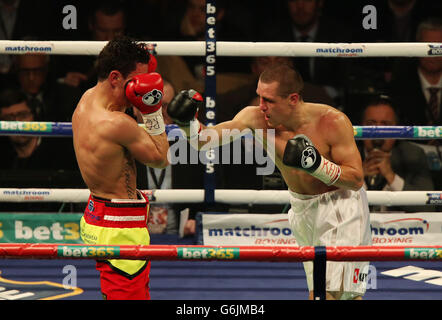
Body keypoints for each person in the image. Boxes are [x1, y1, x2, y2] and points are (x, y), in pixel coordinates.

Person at [168, 62, 371, 300]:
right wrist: (187, 123)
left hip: (340, 207)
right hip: (302, 207)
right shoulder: (255, 118)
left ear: (293, 99)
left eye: (269, 100)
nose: (261, 106)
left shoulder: (331, 121)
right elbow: (204, 141)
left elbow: (356, 179)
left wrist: (316, 165)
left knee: (328, 294)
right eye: (259, 96)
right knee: (342, 295)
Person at [71, 36, 169, 300]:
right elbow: (160, 159)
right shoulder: (116, 124)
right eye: (134, 82)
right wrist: (151, 110)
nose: (137, 88)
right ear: (115, 77)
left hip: (96, 216)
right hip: (120, 229)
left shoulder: (86, 100)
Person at [359, 95, 435, 212]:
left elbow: (428, 207)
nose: (378, 132)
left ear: (397, 128)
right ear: (361, 126)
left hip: (401, 228)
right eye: (371, 124)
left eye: (386, 124)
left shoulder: (413, 155)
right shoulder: (347, 153)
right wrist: (357, 179)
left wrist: (392, 178)